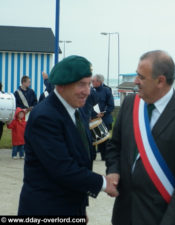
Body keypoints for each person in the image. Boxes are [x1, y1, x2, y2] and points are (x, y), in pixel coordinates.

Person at [105, 50, 175, 225]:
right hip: (124, 214)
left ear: (160, 81)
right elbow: (115, 145)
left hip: (160, 216)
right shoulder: (130, 104)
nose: (136, 81)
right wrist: (113, 169)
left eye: (141, 77)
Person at [18, 55, 118, 216]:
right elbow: (62, 168)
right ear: (61, 86)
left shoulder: (78, 110)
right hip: (46, 209)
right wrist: (104, 183)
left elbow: (82, 158)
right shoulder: (45, 116)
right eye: (81, 85)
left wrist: (80, 208)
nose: (87, 91)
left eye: (89, 84)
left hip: (71, 207)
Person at [91, 74, 114, 160]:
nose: (91, 83)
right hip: (92, 120)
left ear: (99, 82)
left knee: (104, 142)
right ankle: (92, 157)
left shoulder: (107, 91)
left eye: (93, 81)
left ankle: (105, 157)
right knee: (91, 141)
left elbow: (111, 105)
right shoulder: (90, 91)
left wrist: (104, 113)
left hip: (104, 119)